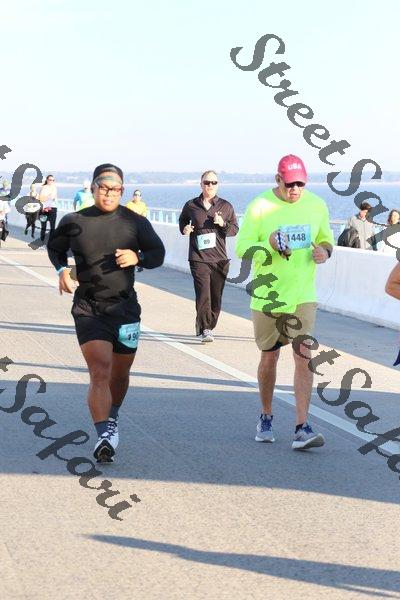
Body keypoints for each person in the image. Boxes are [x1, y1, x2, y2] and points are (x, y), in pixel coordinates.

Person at [47, 163, 165, 463]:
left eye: (115, 189)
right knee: (100, 370)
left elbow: (158, 254)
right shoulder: (74, 221)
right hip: (89, 307)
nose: (109, 193)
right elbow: (55, 248)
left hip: (125, 308)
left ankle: (112, 416)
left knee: (120, 373)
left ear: (122, 191)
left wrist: (138, 256)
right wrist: (61, 270)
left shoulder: (134, 222)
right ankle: (104, 434)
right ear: (93, 188)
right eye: (104, 187)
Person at [236, 155, 333, 450]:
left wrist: (325, 252)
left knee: (304, 355)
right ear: (278, 179)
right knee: (270, 357)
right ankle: (266, 416)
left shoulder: (316, 205)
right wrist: (269, 244)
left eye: (300, 184)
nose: (295, 189)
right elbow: (242, 248)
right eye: (290, 184)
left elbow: (326, 239)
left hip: (303, 295)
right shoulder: (260, 206)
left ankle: (302, 427)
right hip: (268, 296)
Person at [179, 170, 238, 342]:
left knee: (215, 297)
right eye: (206, 182)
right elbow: (182, 220)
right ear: (201, 185)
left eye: (213, 182)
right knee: (203, 294)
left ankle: (208, 325)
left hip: (219, 259)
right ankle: (206, 328)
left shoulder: (226, 206)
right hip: (198, 258)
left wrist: (223, 224)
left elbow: (234, 230)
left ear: (218, 185)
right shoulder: (191, 205)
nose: (210, 185)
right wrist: (185, 229)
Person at [39, 174, 58, 242]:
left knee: (53, 227)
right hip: (44, 209)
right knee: (43, 226)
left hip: (53, 208)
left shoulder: (54, 188)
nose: (51, 181)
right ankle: (42, 240)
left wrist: (50, 197)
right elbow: (41, 199)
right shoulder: (43, 187)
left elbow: (54, 198)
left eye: (53, 180)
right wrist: (48, 197)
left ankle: (51, 242)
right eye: (50, 180)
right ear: (47, 180)